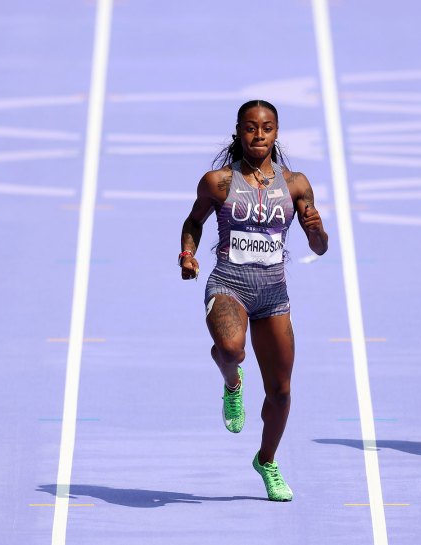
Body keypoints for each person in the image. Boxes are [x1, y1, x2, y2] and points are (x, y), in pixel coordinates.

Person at [179, 100, 329, 500]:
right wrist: (188, 254)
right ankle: (232, 385)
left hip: (273, 294)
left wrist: (317, 231)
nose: (258, 135)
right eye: (250, 128)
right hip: (229, 283)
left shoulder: (296, 184)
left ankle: (266, 460)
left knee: (280, 392)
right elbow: (194, 221)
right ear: (238, 132)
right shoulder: (218, 182)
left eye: (266, 128)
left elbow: (320, 246)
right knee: (231, 350)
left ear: (276, 133)